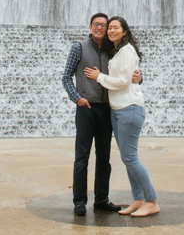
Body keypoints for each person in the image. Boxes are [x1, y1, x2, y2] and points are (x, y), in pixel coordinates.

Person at [62, 12, 142, 216]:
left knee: (104, 158)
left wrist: (140, 78)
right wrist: (77, 98)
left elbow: (127, 73)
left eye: (104, 25)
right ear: (90, 27)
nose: (100, 28)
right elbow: (66, 77)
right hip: (86, 108)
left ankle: (101, 199)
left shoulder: (113, 50)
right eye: (96, 24)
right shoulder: (78, 48)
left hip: (107, 110)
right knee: (82, 157)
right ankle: (79, 201)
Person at [84, 16, 159, 218]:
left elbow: (124, 82)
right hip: (118, 110)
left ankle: (151, 200)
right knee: (128, 158)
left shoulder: (127, 51)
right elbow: (129, 76)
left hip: (130, 108)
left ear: (125, 31)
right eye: (110, 28)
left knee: (130, 157)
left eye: (116, 27)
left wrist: (98, 77)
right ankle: (138, 199)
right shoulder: (117, 53)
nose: (111, 30)